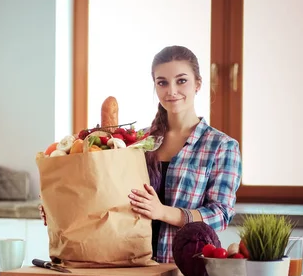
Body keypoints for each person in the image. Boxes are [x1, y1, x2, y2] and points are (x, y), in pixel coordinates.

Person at [39, 45, 242, 264]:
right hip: (128, 262)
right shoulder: (137, 142)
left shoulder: (221, 146)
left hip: (185, 268)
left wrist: (162, 212)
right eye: (162, 82)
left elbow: (220, 215)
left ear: (198, 85)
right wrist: (63, 205)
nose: (171, 90)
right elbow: (106, 192)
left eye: (181, 80)